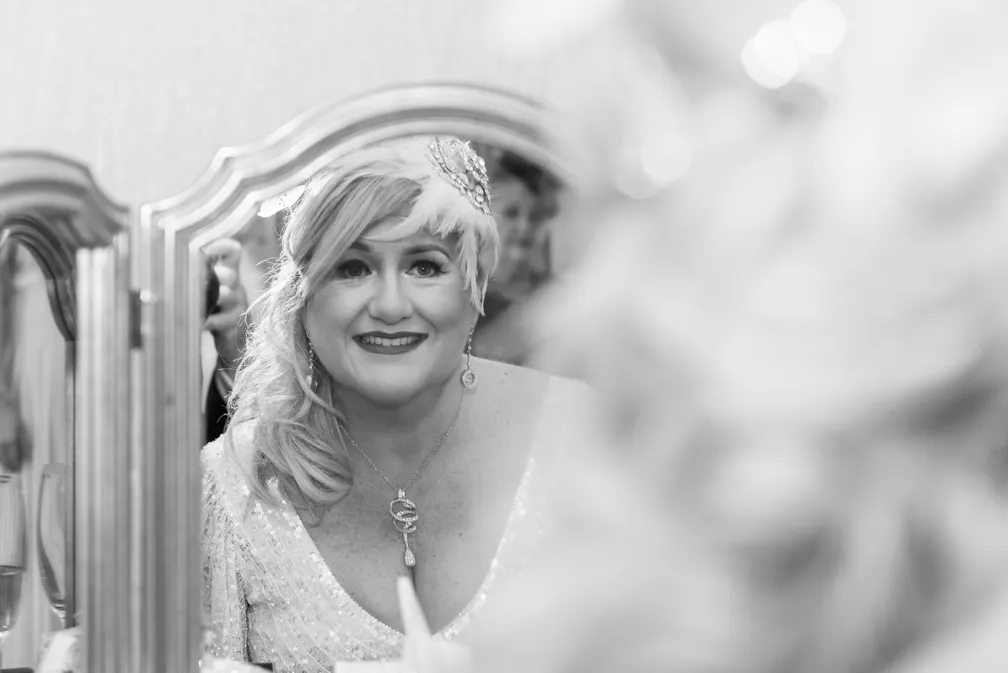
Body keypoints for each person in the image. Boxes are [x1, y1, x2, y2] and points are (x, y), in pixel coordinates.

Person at [200, 135, 591, 670]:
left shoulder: (585, 439)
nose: (388, 305)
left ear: (474, 286)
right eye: (352, 268)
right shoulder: (235, 485)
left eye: (425, 266)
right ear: (304, 295)